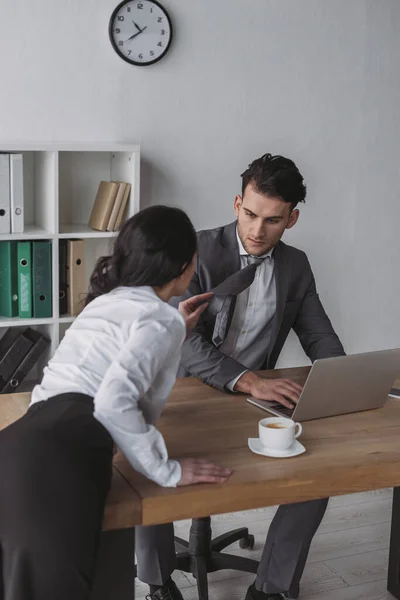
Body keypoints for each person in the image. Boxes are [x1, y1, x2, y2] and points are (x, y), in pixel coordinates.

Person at [137, 154, 345, 600]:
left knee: (321, 475)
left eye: (272, 220)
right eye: (250, 215)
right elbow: (185, 343)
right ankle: (157, 582)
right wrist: (250, 380)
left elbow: (319, 335)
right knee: (145, 462)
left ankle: (271, 589)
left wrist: (340, 380)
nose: (257, 230)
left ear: (292, 218)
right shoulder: (191, 251)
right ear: (236, 204)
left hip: (253, 401)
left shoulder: (296, 266)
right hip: (179, 391)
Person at [0, 205, 232, 600]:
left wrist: (175, 326)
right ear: (185, 266)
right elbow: (111, 401)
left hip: (20, 445)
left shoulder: (106, 304)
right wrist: (166, 469)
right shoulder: (159, 320)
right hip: (63, 458)